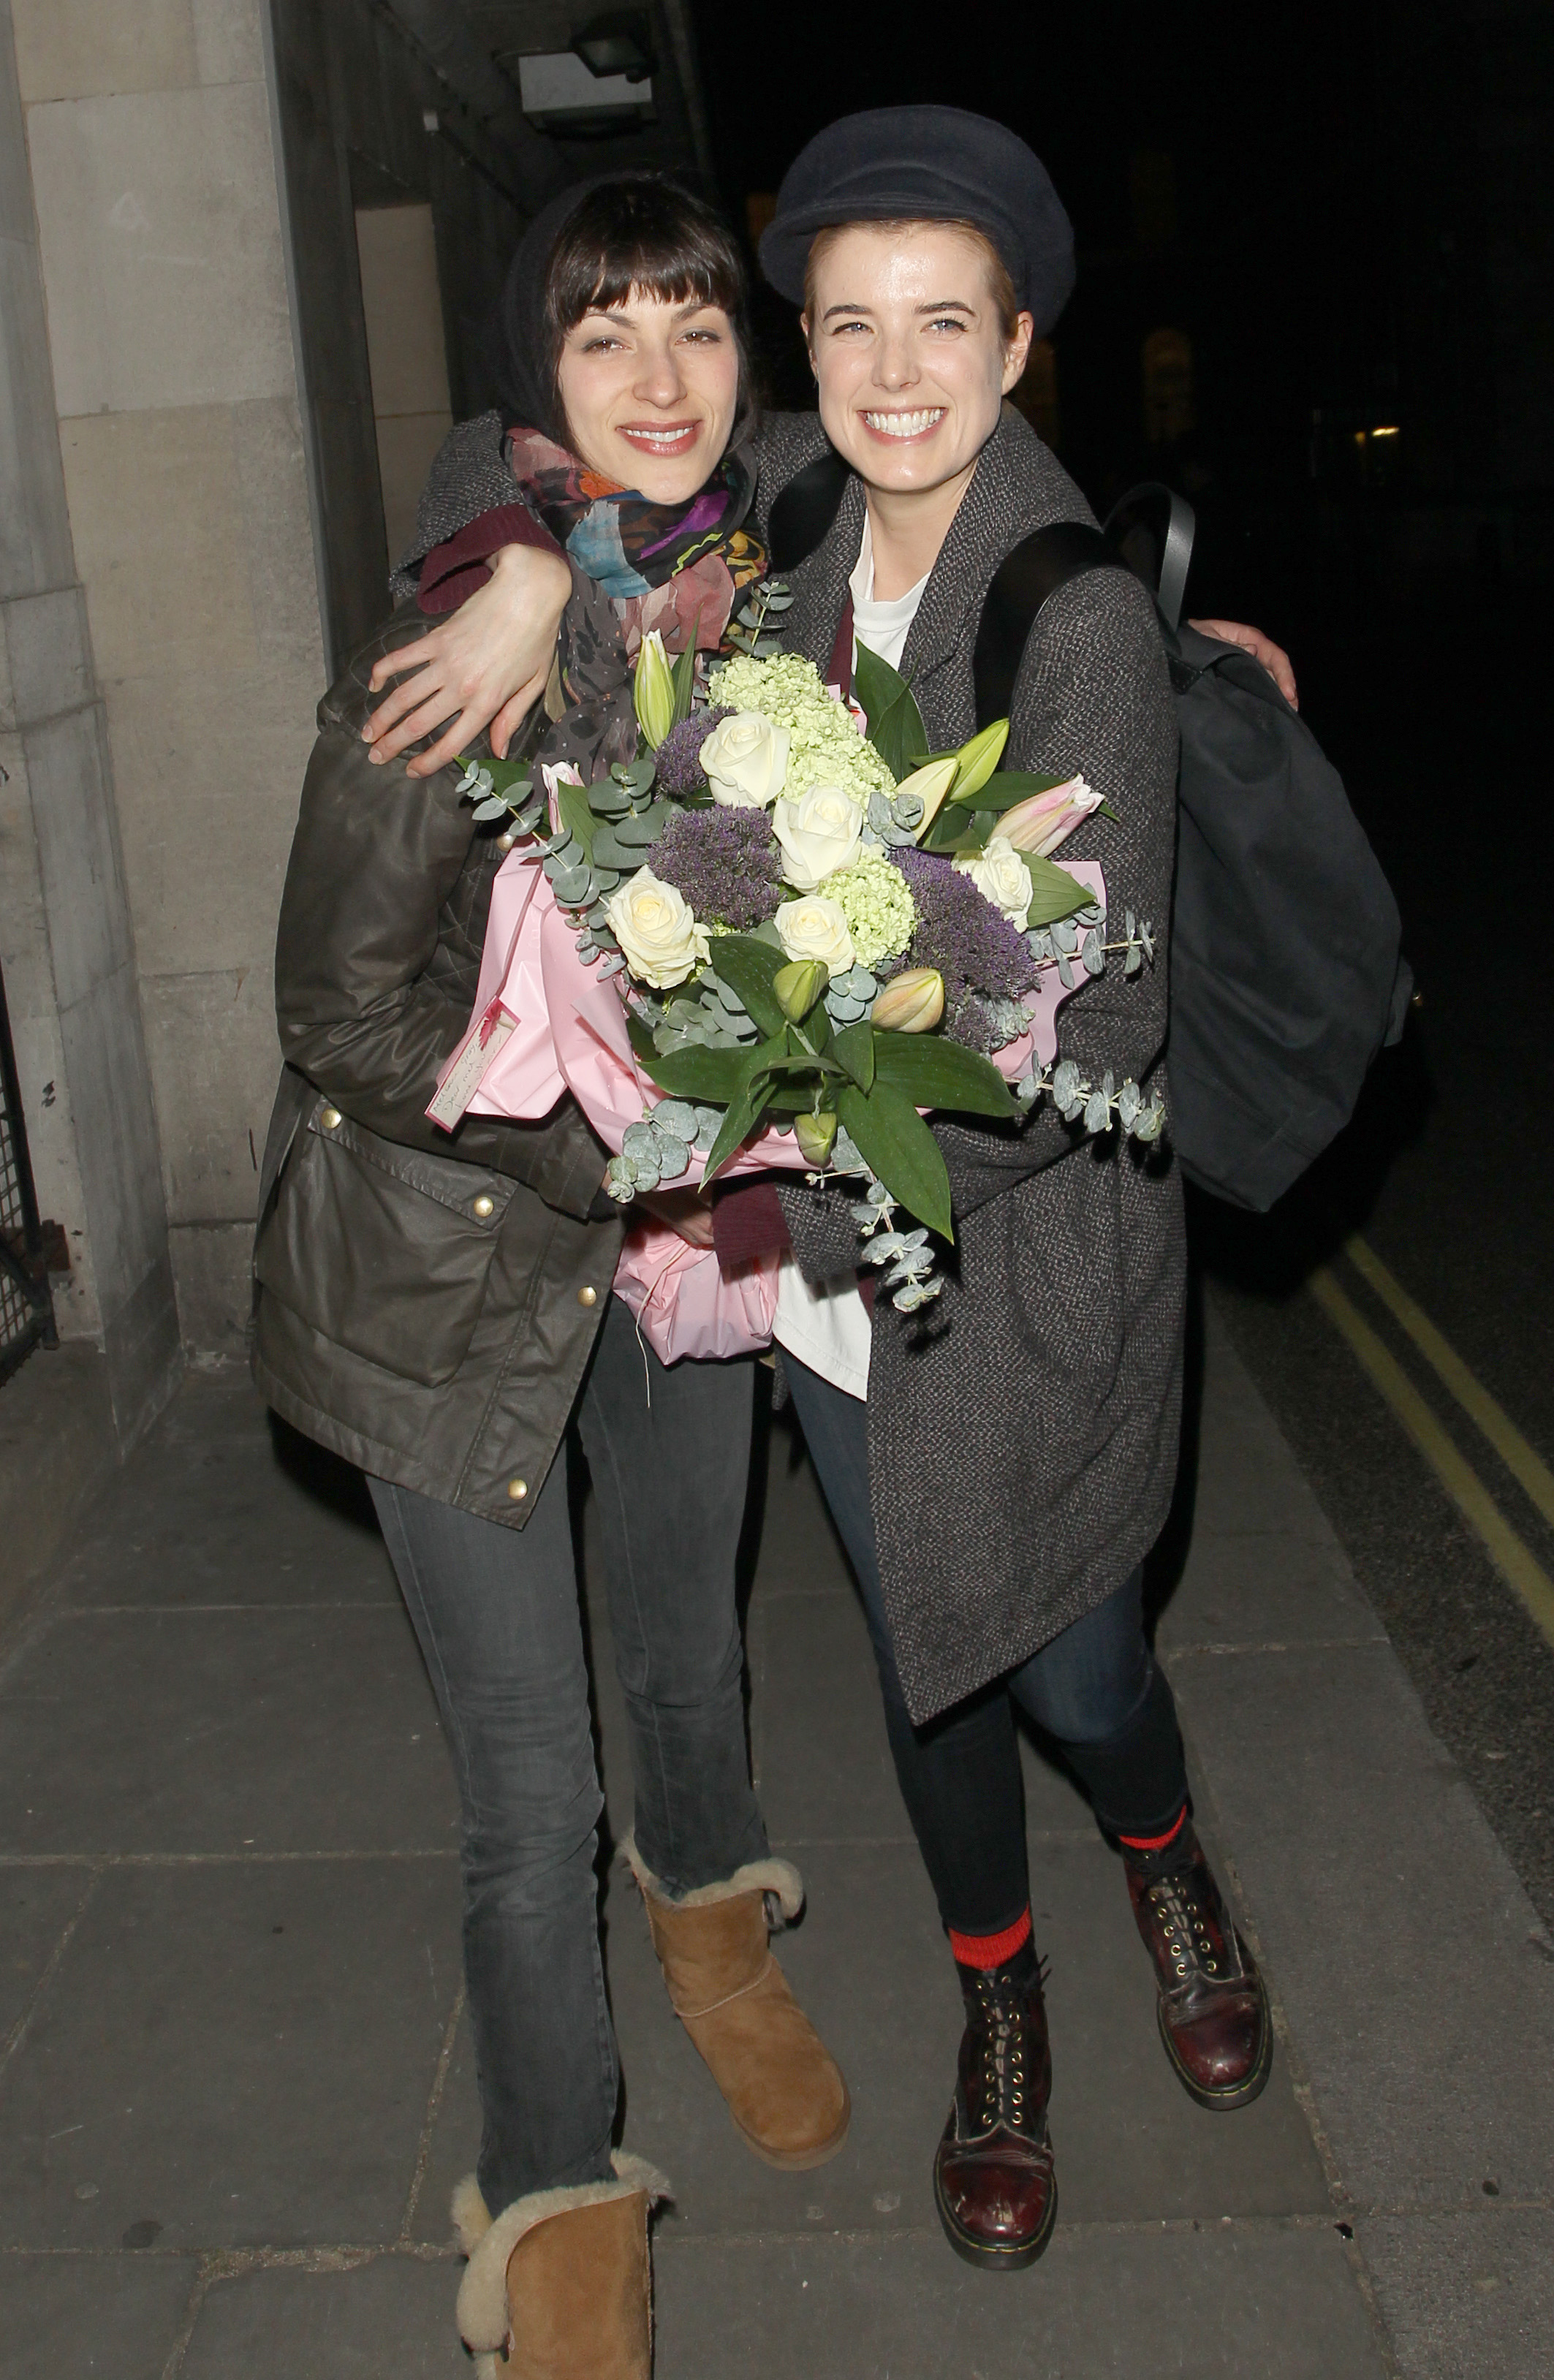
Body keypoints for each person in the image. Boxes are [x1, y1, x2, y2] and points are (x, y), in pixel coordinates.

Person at [369, 115, 1285, 2280]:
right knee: (925, 1662)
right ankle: (1000, 2002)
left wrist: (803, 1108)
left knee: (1073, 1675)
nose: (893, 373)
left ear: (1017, 344)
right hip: (821, 1282)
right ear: (810, 348)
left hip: (1012, 1262)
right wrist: (519, 566)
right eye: (850, 324)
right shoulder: (781, 509)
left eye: (943, 325)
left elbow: (1108, 1032)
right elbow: (545, 427)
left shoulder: (1062, 613)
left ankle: (1162, 1849)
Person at [253, 176, 847, 2380]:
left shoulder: (763, 607)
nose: (661, 379)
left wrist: (1172, 655)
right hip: (453, 1282)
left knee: (689, 1655)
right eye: (606, 338)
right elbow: (342, 1012)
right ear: (538, 374)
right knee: (527, 1791)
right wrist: (610, 1140)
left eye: (697, 326)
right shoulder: (459, 645)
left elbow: (943, 456)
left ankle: (716, 1938)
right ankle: (557, 2203)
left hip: (680, 1266)